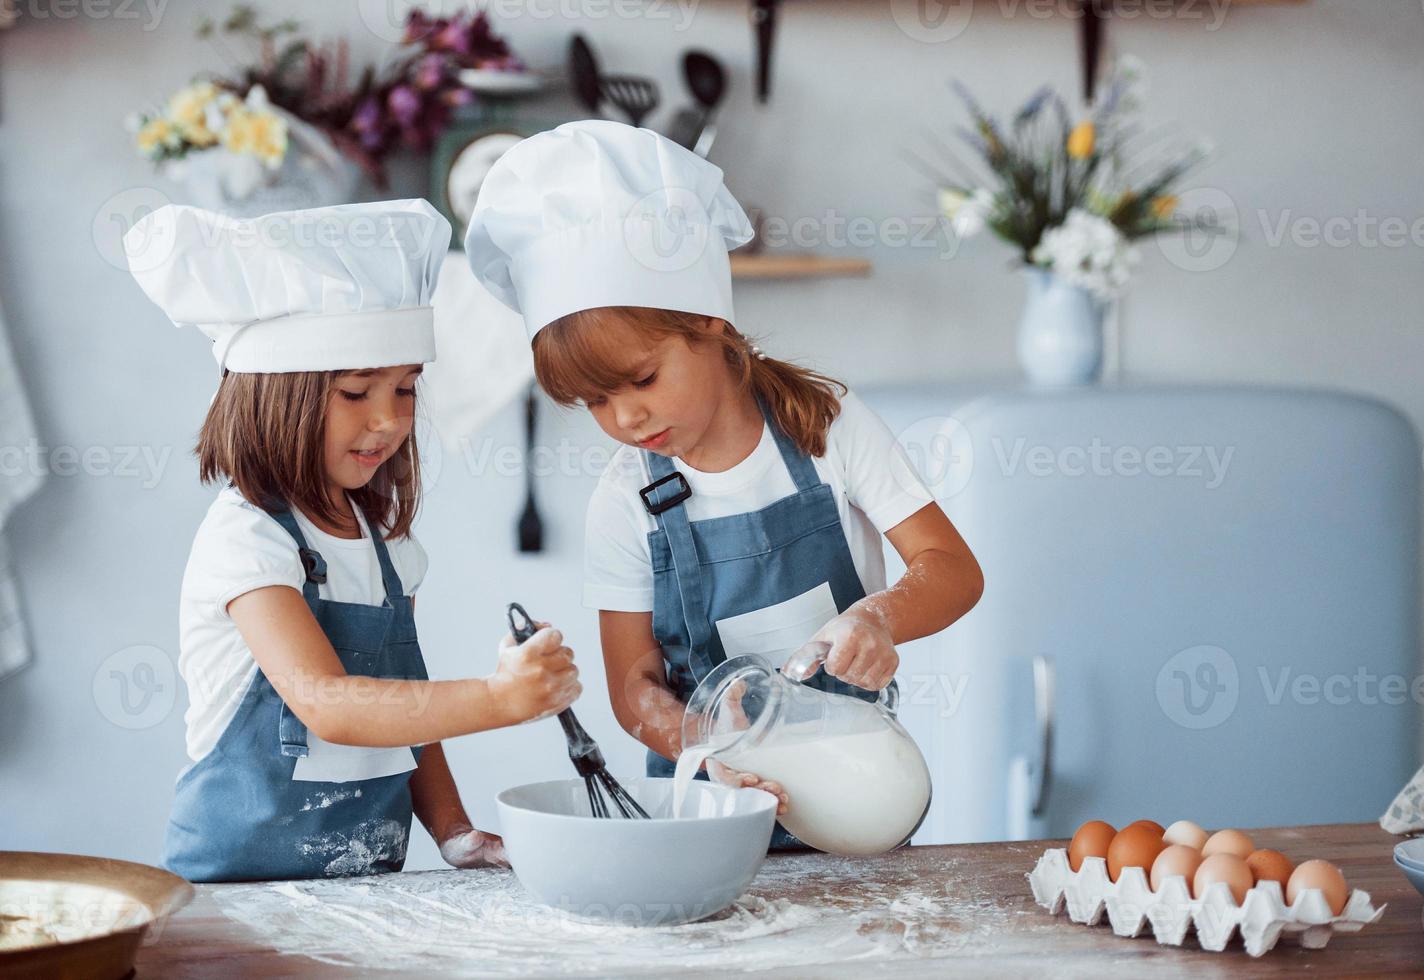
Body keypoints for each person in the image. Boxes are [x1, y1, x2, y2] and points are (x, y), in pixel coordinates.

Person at [465, 122, 983, 849]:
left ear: (710, 320)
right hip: (708, 820)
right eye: (596, 402)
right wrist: (709, 746)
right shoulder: (624, 502)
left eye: (641, 379)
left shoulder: (826, 426)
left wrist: (881, 618)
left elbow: (953, 570)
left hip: (857, 795)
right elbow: (632, 686)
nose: (625, 416)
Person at [125, 199, 580, 881]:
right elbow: (329, 705)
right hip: (238, 897)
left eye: (404, 389)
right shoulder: (247, 539)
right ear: (279, 396)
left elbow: (407, 700)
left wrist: (453, 831)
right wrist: (498, 699)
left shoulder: (390, 546)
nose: (389, 420)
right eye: (356, 392)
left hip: (366, 886)